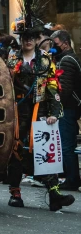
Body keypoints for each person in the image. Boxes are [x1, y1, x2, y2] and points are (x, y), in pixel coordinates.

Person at [6, 27, 75, 211]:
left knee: (46, 150)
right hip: (18, 110)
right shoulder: (12, 58)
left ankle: (54, 194)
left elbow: (53, 85)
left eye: (31, 38)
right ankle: (15, 193)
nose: (28, 41)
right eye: (25, 37)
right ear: (21, 40)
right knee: (17, 148)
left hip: (40, 109)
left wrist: (54, 112)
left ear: (36, 40)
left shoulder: (45, 59)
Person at [51, 29, 81, 191]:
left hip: (68, 108)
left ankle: (72, 179)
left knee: (66, 145)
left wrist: (56, 107)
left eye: (55, 44)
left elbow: (65, 89)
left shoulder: (67, 60)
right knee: (65, 143)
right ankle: (70, 176)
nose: (53, 48)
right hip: (69, 107)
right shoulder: (66, 59)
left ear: (65, 43)